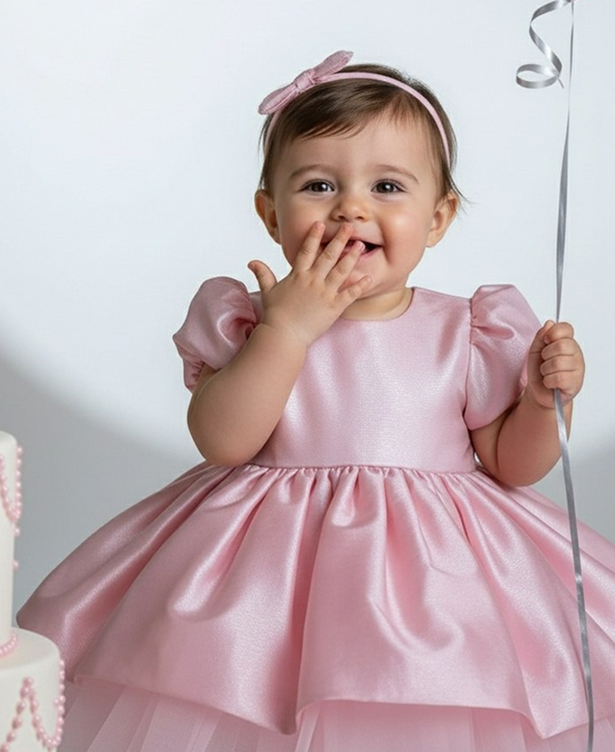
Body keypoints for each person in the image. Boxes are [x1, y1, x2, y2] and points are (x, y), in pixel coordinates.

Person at [18, 51, 615, 752]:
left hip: (440, 587)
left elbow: (512, 465)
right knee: (249, 709)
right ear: (270, 214)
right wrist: (288, 328)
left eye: (387, 185)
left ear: (437, 217)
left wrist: (545, 404)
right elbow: (224, 442)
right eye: (318, 185)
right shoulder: (251, 317)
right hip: (270, 588)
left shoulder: (470, 328)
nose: (351, 207)